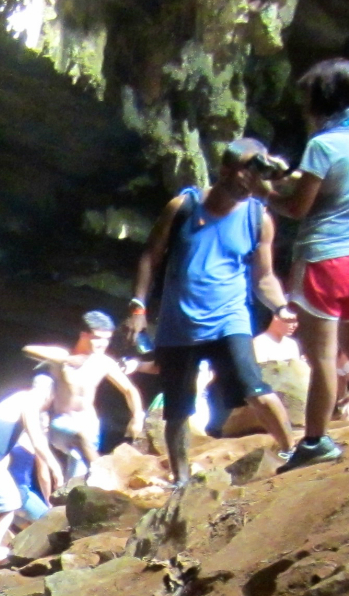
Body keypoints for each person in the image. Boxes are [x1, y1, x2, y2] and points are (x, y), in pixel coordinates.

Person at [125, 138, 296, 486]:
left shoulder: (258, 218)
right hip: (179, 325)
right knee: (177, 408)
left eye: (256, 175)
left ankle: (293, 451)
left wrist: (281, 306)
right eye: (245, 173)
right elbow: (151, 255)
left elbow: (263, 276)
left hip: (228, 318)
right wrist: (138, 305)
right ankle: (182, 479)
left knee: (253, 386)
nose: (249, 183)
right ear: (226, 170)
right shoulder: (184, 206)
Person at [266, 57, 349, 469]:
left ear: (320, 100)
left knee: (321, 358)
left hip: (326, 259)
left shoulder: (322, 145)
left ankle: (315, 441)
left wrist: (262, 190)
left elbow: (297, 208)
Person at [20, 311, 145, 484]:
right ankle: (108, 480)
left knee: (77, 480)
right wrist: (66, 359)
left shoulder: (104, 362)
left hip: (89, 425)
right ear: (84, 334)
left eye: (107, 339)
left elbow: (129, 389)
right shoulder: (63, 355)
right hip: (63, 422)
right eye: (98, 338)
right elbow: (28, 350)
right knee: (83, 441)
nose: (103, 344)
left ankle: (69, 503)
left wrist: (138, 416)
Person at [0, 375, 61, 566]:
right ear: (48, 395)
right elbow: (36, 438)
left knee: (9, 504)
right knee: (9, 503)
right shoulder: (30, 399)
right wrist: (55, 466)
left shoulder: (19, 398)